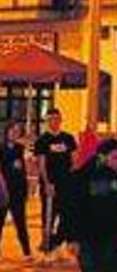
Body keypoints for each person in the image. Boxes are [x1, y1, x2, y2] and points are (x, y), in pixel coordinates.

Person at [60, 138, 117, 272]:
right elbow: (70, 210)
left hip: (111, 240)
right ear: (101, 156)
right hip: (87, 240)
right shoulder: (81, 178)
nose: (116, 161)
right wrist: (71, 238)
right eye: (114, 157)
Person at [34, 108, 77, 261]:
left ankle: (58, 244)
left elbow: (74, 161)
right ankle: (46, 247)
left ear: (61, 120)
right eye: (51, 119)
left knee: (67, 215)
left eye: (57, 119)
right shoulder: (42, 140)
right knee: (48, 217)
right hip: (50, 184)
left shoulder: (68, 138)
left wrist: (73, 181)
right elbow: (41, 164)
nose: (54, 122)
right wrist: (46, 183)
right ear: (47, 121)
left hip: (66, 184)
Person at [0, 121, 31, 259]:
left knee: (21, 223)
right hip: (3, 190)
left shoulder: (20, 148)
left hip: (17, 191)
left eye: (17, 131)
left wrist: (25, 189)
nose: (15, 133)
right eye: (12, 130)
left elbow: (22, 171)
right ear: (7, 131)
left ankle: (27, 252)